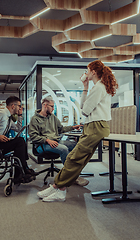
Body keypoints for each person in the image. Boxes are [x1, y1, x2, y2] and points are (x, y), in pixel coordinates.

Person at [37, 60, 118, 202]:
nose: (86, 73)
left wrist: (87, 88)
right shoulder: (97, 87)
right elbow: (82, 106)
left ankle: (58, 187)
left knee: (74, 159)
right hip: (94, 126)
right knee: (76, 159)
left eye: (88, 70)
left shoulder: (99, 87)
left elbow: (85, 111)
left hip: (95, 126)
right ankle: (57, 187)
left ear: (93, 72)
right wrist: (85, 86)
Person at [28, 97, 88, 186]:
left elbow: (61, 129)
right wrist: (47, 140)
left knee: (77, 146)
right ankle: (70, 177)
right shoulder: (35, 119)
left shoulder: (53, 117)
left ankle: (73, 172)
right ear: (45, 105)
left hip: (55, 142)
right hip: (42, 145)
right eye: (52, 106)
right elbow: (33, 136)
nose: (53, 108)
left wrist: (72, 127)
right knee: (63, 149)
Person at [0, 96, 36, 182]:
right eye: (19, 106)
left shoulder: (8, 117)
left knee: (20, 140)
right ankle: (23, 170)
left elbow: (17, 129)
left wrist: (20, 116)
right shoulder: (1, 113)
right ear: (13, 106)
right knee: (20, 142)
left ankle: (22, 170)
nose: (20, 108)